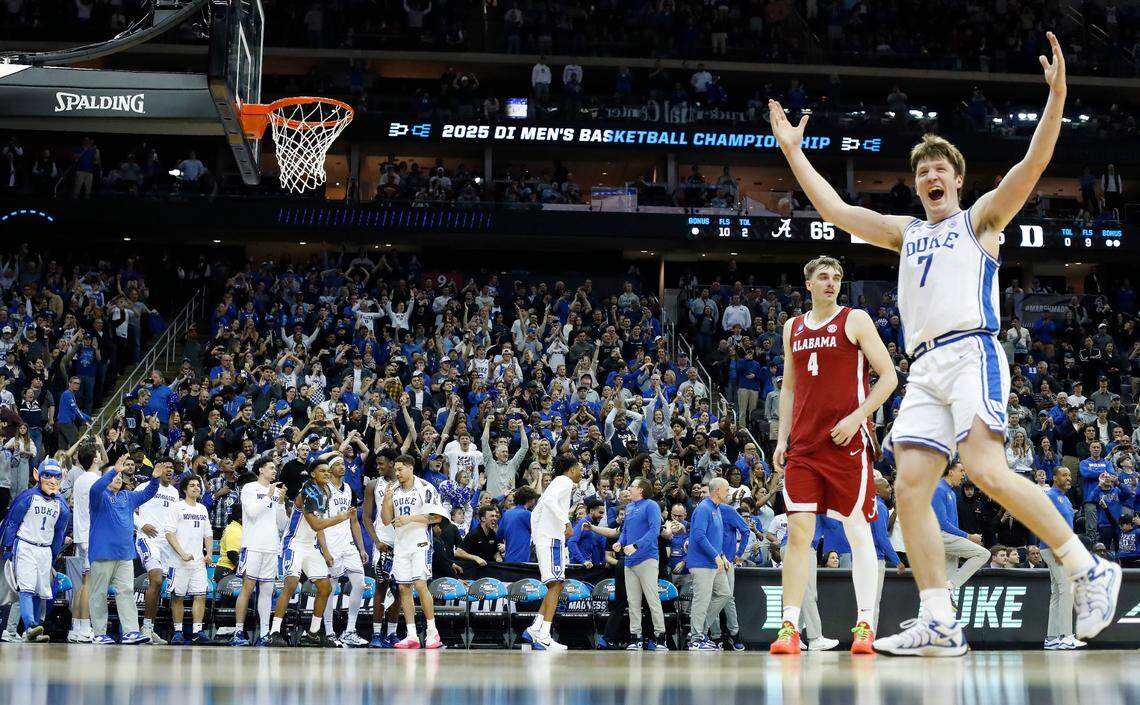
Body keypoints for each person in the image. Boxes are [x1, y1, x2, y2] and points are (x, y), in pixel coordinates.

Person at [768, 32, 1120, 657]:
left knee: (984, 469)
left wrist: (1058, 97)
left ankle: (1088, 567)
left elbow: (1032, 166)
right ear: (917, 184)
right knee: (908, 493)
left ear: (956, 178)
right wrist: (794, 153)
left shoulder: (980, 219)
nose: (931, 174)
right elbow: (837, 208)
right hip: (923, 366)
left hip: (971, 353)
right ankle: (939, 619)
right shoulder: (904, 231)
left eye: (940, 168)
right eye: (922, 170)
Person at [768, 256, 898, 656]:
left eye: (837, 277)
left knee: (859, 532)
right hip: (804, 446)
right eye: (822, 277)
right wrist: (780, 438)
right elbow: (788, 389)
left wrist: (858, 417)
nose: (831, 283)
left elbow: (890, 376)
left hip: (848, 443)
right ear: (807, 283)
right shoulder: (793, 327)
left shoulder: (855, 320)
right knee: (799, 534)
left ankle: (864, 624)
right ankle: (789, 627)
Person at [267, 457, 352, 647]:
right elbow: (316, 524)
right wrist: (342, 516)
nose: (327, 473)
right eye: (323, 471)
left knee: (325, 587)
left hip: (310, 546)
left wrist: (325, 550)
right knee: (291, 583)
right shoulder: (307, 491)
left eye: (328, 471)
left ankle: (312, 633)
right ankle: (274, 632)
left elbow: (318, 525)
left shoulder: (326, 491)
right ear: (313, 474)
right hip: (294, 543)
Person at [88, 454, 163, 644]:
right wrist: (115, 469)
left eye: (121, 476)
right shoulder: (98, 497)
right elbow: (95, 487)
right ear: (106, 479)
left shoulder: (127, 497)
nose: (119, 478)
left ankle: (130, 631)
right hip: (102, 553)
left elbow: (147, 494)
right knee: (99, 593)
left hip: (124, 554)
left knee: (126, 591)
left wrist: (154, 479)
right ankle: (99, 633)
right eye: (115, 476)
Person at [381, 454, 447, 649]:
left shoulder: (425, 488)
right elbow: (386, 520)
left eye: (400, 469)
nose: (397, 473)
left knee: (420, 585)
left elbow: (436, 518)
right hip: (401, 545)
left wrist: (409, 519)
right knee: (403, 588)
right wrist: (386, 500)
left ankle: (432, 632)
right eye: (396, 470)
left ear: (411, 468)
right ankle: (411, 635)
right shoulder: (394, 490)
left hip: (420, 543)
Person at [0, 459, 69, 642]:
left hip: (45, 550)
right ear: (37, 475)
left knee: (41, 591)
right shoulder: (28, 497)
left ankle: (34, 629)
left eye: (56, 476)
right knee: (27, 588)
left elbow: (59, 534)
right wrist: (8, 547)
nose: (52, 480)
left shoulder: (62, 506)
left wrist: (54, 553)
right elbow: (12, 523)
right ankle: (30, 625)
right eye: (48, 475)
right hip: (26, 545)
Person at [522, 453, 581, 651]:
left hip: (545, 538)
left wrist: (538, 535)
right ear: (572, 469)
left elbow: (538, 511)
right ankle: (544, 635)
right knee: (556, 586)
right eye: (579, 468)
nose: (581, 472)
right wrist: (566, 522)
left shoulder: (556, 482)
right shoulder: (564, 481)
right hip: (551, 539)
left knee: (555, 586)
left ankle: (536, 628)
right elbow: (549, 503)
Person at [228, 457, 286, 646]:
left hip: (271, 546)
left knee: (267, 591)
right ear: (261, 470)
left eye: (275, 468)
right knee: (248, 587)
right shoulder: (250, 488)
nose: (274, 470)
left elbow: (283, 524)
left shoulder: (276, 492)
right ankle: (238, 632)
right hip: (252, 545)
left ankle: (264, 634)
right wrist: (269, 495)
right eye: (271, 468)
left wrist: (282, 503)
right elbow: (252, 513)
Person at [322, 454, 370, 647]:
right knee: (330, 589)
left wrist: (361, 548)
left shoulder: (348, 488)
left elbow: (354, 520)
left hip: (348, 544)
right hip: (330, 542)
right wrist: (324, 549)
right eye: (338, 464)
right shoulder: (324, 489)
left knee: (359, 584)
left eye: (344, 464)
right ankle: (329, 631)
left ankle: (350, 630)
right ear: (330, 468)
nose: (343, 467)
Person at [615, 477, 667, 651]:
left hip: (647, 559)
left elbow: (655, 531)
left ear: (641, 489)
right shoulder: (629, 507)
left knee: (652, 599)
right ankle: (635, 637)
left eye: (632, 486)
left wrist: (636, 546)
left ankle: (660, 637)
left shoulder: (651, 505)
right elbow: (625, 531)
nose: (629, 488)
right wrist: (620, 543)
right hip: (630, 561)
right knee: (633, 601)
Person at [135, 458, 179, 645]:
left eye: (171, 467)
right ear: (157, 469)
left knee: (159, 585)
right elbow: (127, 508)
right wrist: (141, 524)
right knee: (156, 578)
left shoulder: (175, 492)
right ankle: (145, 628)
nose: (169, 470)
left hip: (166, 544)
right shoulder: (144, 487)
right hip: (148, 539)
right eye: (165, 467)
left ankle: (149, 628)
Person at [164, 475, 212, 645]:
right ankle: (178, 632)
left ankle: (197, 631)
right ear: (184, 489)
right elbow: (169, 533)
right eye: (192, 485)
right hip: (178, 562)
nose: (196, 488)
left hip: (198, 562)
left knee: (201, 595)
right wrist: (182, 553)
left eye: (198, 485)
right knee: (178, 597)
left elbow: (208, 533)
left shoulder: (202, 509)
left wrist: (209, 553)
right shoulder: (177, 507)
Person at [687, 476, 732, 650]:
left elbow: (714, 537)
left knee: (724, 594)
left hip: (714, 560)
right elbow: (698, 536)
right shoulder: (703, 509)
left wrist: (722, 555)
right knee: (702, 600)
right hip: (701, 563)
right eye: (727, 489)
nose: (728, 492)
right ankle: (696, 639)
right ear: (717, 490)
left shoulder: (717, 508)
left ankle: (699, 630)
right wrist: (715, 556)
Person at [65, 441, 102, 643]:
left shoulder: (80, 479)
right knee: (90, 584)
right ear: (95, 458)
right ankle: (86, 627)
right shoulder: (95, 479)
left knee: (82, 584)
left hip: (82, 535)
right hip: (92, 535)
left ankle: (77, 628)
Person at [936, 460, 990, 597]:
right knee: (983, 554)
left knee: (947, 581)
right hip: (940, 536)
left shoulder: (952, 492)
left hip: (949, 538)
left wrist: (961, 536)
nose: (964, 475)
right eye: (961, 471)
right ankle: (950, 587)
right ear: (950, 472)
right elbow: (943, 523)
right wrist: (968, 536)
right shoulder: (939, 489)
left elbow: (953, 523)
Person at [870, 474, 904, 632]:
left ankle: (863, 636)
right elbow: (882, 537)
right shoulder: (881, 507)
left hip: (864, 558)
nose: (890, 489)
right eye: (887, 486)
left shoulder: (869, 506)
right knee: (874, 603)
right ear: (876, 491)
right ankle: (869, 639)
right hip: (876, 559)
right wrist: (897, 560)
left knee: (865, 603)